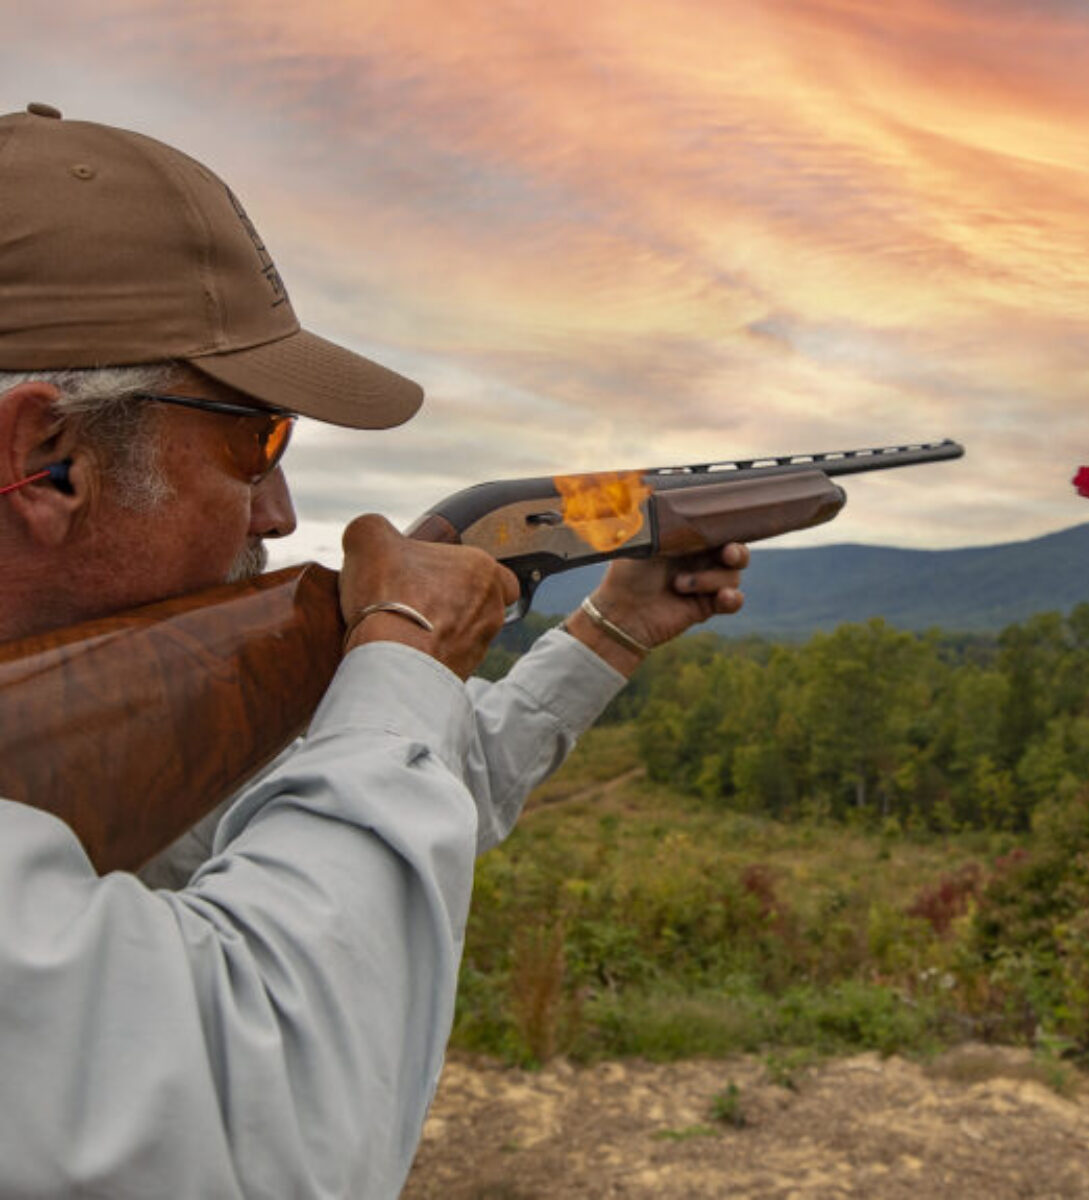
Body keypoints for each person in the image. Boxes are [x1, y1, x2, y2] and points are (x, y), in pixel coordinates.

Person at [0, 103, 746, 1195]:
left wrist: (609, 628)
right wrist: (398, 647)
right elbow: (274, 1120)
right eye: (256, 442)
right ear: (50, 457)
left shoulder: (80, 721)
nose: (278, 513)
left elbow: (371, 835)